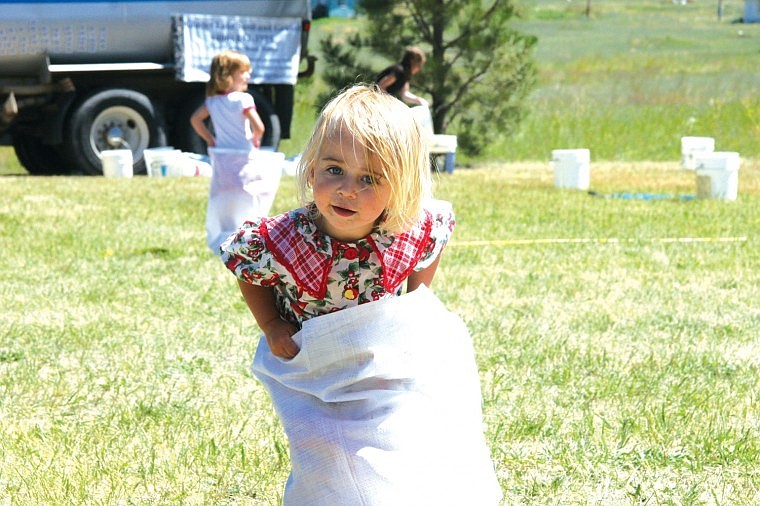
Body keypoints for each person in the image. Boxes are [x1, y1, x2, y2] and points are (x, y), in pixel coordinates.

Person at [220, 83, 453, 359]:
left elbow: (432, 239)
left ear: (401, 187)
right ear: (312, 170)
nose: (347, 190)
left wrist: (416, 302)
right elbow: (249, 266)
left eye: (369, 179)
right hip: (308, 363)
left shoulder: (405, 229)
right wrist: (270, 324)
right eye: (334, 169)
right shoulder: (285, 238)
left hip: (378, 359)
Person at [190, 50, 280, 253]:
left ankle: (227, 230)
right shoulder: (243, 99)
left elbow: (195, 120)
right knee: (251, 191)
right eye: (243, 72)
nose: (248, 76)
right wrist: (255, 138)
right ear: (228, 75)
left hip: (223, 156)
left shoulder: (212, 102)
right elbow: (260, 127)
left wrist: (210, 139)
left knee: (226, 192)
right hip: (243, 154)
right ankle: (249, 231)